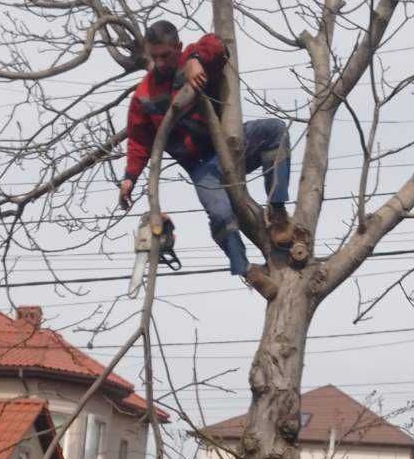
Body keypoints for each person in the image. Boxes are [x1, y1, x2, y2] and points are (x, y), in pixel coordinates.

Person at [118, 20, 293, 295]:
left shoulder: (193, 56)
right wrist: (129, 178)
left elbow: (217, 45)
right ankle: (248, 271)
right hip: (201, 166)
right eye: (155, 57)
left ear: (177, 47)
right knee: (221, 215)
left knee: (275, 132)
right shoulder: (144, 96)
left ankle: (278, 212)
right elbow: (139, 140)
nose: (161, 63)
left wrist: (196, 60)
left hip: (231, 145)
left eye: (166, 55)